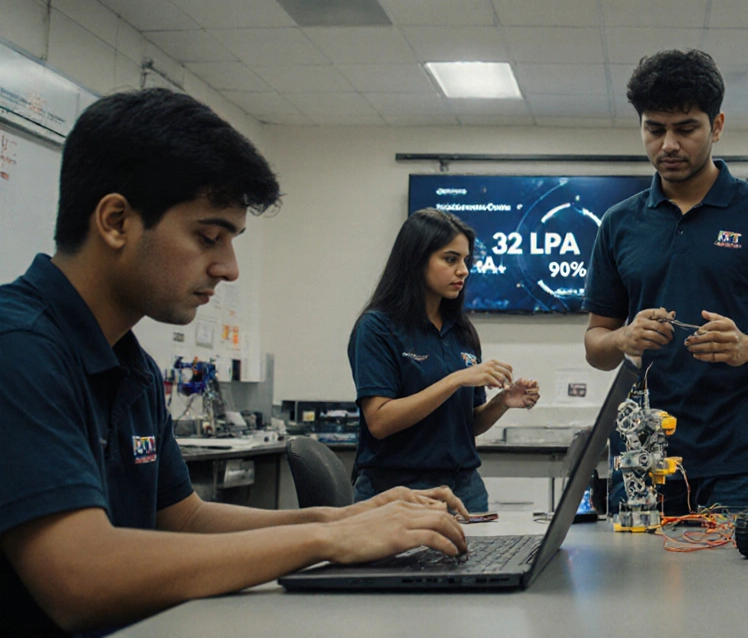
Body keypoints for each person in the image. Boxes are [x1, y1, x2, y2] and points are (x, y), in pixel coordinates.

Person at [0, 88, 469, 637]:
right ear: (115, 220)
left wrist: (344, 517)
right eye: (208, 237)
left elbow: (187, 520)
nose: (229, 268)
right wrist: (325, 541)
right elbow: (79, 578)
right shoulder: (18, 346)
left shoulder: (132, 367)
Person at [583, 49, 748, 513]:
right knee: (634, 585)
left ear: (716, 127)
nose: (668, 145)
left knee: (741, 585)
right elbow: (596, 346)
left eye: (685, 129)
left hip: (744, 461)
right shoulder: (619, 224)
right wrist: (624, 337)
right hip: (644, 461)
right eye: (654, 129)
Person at [349, 208, 540, 512]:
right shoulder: (377, 328)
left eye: (466, 260)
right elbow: (380, 421)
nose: (463, 270)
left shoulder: (461, 331)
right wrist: (455, 380)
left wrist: (501, 402)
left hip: (466, 489)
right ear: (416, 260)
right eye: (451, 259)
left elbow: (468, 424)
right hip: (397, 492)